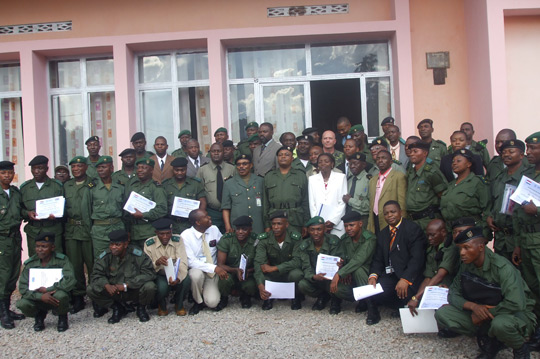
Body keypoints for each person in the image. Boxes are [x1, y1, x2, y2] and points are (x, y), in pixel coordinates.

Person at [435, 227, 535, 359]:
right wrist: (474, 307)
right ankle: (491, 341)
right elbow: (453, 294)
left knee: (500, 325)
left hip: (513, 314)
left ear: (481, 247)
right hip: (483, 310)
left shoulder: (502, 268)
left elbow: (516, 303)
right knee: (443, 313)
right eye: (460, 249)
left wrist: (483, 314)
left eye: (466, 247)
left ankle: (520, 348)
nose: (462, 253)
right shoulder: (467, 264)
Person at [366, 201, 425, 325]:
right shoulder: (382, 234)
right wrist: (373, 275)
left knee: (406, 293)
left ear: (400, 212)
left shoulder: (412, 229)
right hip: (391, 274)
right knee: (376, 291)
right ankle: (392, 307)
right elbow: (378, 259)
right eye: (386, 213)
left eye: (393, 212)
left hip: (409, 276)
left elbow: (417, 259)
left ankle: (403, 306)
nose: (390, 215)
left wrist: (405, 279)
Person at [87, 229, 157, 324]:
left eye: (117, 245)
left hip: (133, 290)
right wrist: (106, 285)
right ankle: (117, 308)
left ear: (125, 245)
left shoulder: (138, 255)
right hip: (114, 291)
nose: (113, 247)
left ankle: (141, 308)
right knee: (91, 289)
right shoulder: (106, 256)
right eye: (111, 244)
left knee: (150, 286)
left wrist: (126, 285)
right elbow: (96, 274)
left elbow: (149, 273)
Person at [512, 131, 540, 350]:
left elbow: (531, 208)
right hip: (526, 238)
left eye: (533, 149)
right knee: (532, 288)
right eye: (528, 148)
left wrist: (537, 210)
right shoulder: (529, 172)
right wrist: (519, 245)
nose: (528, 152)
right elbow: (520, 210)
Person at [17, 233, 76, 332]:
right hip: (37, 297)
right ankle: (39, 316)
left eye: (44, 246)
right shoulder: (30, 263)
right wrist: (40, 296)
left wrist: (49, 290)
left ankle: (62, 317)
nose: (40, 249)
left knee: (61, 295)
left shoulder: (62, 260)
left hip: (55, 295)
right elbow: (23, 288)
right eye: (37, 246)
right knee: (22, 304)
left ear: (52, 247)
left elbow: (70, 280)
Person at [486, 140, 532, 261]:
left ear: (521, 155)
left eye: (511, 151)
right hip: (501, 239)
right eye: (504, 152)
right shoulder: (499, 177)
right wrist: (490, 216)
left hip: (521, 238)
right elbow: (495, 201)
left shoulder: (528, 177)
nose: (506, 155)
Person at [407, 219, 459, 316]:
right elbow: (428, 277)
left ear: (443, 232)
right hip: (436, 285)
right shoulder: (432, 250)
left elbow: (440, 275)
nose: (430, 238)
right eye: (428, 236)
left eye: (433, 235)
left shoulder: (450, 249)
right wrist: (417, 298)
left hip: (450, 286)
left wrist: (417, 297)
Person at [254, 211, 304, 310]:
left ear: (286, 224)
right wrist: (260, 284)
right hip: (273, 275)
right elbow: (259, 262)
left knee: (297, 274)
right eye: (273, 224)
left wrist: (275, 268)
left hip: (288, 272)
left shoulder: (295, 238)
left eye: (279, 224)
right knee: (261, 274)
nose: (276, 227)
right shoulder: (264, 239)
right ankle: (267, 297)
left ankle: (295, 296)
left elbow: (297, 261)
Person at [181, 209, 226, 315]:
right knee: (195, 275)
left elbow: (223, 246)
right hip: (198, 269)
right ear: (198, 222)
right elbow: (191, 261)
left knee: (212, 303)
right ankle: (198, 301)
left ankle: (206, 296)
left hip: (212, 272)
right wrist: (214, 268)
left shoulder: (214, 229)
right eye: (206, 217)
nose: (209, 218)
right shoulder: (186, 235)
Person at [331, 212, 377, 314]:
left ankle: (371, 306)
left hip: (368, 276)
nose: (348, 229)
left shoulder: (369, 238)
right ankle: (361, 299)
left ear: (360, 224)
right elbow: (343, 257)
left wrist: (340, 273)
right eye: (346, 226)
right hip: (351, 276)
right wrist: (341, 265)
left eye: (351, 225)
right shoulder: (345, 239)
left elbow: (359, 260)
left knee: (358, 270)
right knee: (337, 289)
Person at [81, 156, 126, 260]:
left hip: (117, 226)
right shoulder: (92, 188)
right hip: (99, 231)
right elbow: (86, 211)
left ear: (111, 168)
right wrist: (91, 230)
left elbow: (125, 210)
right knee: (101, 259)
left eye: (104, 167)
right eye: (99, 167)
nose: (100, 170)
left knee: (120, 258)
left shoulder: (120, 187)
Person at [64, 156, 93, 314]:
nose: (76, 169)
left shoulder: (92, 184)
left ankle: (96, 296)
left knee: (92, 264)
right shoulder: (66, 185)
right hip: (72, 230)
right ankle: (78, 297)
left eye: (79, 166)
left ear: (86, 167)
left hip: (87, 229)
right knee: (75, 266)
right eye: (73, 167)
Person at [143, 218, 190, 316]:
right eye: (161, 234)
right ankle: (162, 305)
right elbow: (146, 266)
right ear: (156, 233)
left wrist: (178, 277)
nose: (165, 236)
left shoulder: (178, 240)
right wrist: (157, 263)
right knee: (162, 287)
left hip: (176, 272)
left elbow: (183, 261)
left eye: (168, 233)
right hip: (159, 274)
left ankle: (179, 304)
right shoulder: (149, 243)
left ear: (171, 232)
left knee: (186, 280)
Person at [20, 155, 64, 256]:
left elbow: (65, 208)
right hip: (33, 231)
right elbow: (19, 209)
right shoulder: (25, 188)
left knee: (55, 260)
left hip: (53, 229)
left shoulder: (56, 186)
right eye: (34, 168)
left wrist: (57, 215)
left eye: (40, 168)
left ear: (46, 169)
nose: (36, 171)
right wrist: (27, 213)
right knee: (35, 260)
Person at [296, 216, 341, 312]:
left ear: (324, 229)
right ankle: (322, 296)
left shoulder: (333, 241)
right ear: (308, 230)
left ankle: (335, 299)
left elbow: (338, 262)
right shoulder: (304, 245)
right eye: (312, 230)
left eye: (319, 229)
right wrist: (313, 276)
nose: (316, 233)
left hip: (332, 278)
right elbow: (306, 266)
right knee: (303, 285)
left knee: (338, 285)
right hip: (316, 278)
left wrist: (336, 273)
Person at [0, 161, 25, 329]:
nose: (7, 176)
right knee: (3, 276)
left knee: (13, 274)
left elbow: (20, 211)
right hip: (2, 239)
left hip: (16, 238)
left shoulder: (15, 192)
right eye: (4, 173)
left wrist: (29, 213)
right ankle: (3, 313)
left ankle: (7, 308)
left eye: (10, 173)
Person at [263, 146, 309, 235]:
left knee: (296, 246)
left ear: (292, 158)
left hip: (295, 218)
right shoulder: (269, 176)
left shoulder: (300, 175)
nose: (283, 157)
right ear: (277, 158)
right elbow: (265, 203)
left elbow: (305, 200)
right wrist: (267, 224)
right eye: (280, 155)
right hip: (275, 218)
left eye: (287, 155)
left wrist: (305, 224)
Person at [124, 157, 168, 248]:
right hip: (133, 232)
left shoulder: (156, 188)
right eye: (138, 168)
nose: (140, 170)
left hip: (148, 232)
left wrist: (143, 215)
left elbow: (162, 209)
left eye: (144, 168)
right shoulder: (133, 186)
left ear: (151, 170)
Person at [440, 149, 489, 231]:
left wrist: (484, 233)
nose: (454, 163)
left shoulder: (477, 182)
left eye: (458, 161)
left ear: (469, 164)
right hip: (451, 230)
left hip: (469, 230)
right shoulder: (451, 184)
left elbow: (487, 209)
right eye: (453, 161)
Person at [217, 216, 258, 309]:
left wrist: (248, 271)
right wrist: (235, 270)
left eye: (244, 229)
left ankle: (246, 297)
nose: (240, 232)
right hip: (230, 271)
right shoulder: (227, 239)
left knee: (250, 286)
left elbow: (260, 263)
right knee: (225, 279)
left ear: (250, 230)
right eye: (238, 229)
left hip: (247, 273)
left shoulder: (256, 240)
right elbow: (220, 264)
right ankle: (224, 298)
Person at [405, 141, 448, 230]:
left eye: (415, 151)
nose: (412, 154)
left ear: (425, 153)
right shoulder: (411, 172)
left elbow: (443, 196)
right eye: (411, 151)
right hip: (412, 220)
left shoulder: (431, 172)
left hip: (427, 220)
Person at [196, 142, 236, 233]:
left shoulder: (232, 169)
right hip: (212, 212)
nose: (216, 153)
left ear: (223, 152)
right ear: (210, 153)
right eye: (214, 151)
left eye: (219, 151)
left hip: (230, 211)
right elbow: (199, 191)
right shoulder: (202, 170)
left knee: (231, 237)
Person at [162, 157, 206, 234]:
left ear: (186, 169)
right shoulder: (166, 185)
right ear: (173, 170)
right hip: (172, 224)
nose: (179, 172)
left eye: (182, 170)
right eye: (177, 170)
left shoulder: (195, 184)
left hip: (190, 224)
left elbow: (202, 202)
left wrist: (199, 218)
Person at [221, 154, 264, 234]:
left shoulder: (260, 181)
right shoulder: (229, 183)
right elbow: (226, 208)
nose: (241, 166)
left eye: (245, 164)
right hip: (238, 227)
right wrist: (227, 226)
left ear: (251, 165)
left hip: (258, 225)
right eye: (238, 164)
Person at [367, 150, 407, 234]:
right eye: (378, 158)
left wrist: (402, 224)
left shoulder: (398, 176)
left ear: (391, 161)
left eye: (384, 158)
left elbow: (402, 202)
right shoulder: (373, 180)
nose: (380, 160)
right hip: (375, 220)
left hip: (392, 219)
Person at [308, 153, 347, 236]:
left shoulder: (341, 178)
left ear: (332, 164)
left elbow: (342, 202)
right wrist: (317, 221)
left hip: (337, 224)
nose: (323, 164)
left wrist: (333, 221)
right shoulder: (312, 180)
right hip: (318, 225)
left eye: (326, 161)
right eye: (320, 162)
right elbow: (312, 204)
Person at [343, 152, 371, 222]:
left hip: (362, 219)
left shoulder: (369, 180)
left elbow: (370, 205)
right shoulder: (349, 180)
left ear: (364, 165)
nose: (352, 166)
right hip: (347, 218)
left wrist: (350, 200)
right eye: (350, 164)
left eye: (355, 163)